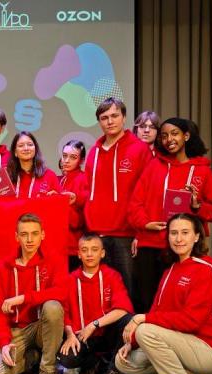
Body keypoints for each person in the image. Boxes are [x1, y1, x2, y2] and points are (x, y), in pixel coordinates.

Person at [116, 213, 212, 374]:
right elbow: (158, 312)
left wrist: (141, 319)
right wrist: (132, 342)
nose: (178, 239)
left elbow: (191, 321)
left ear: (197, 236)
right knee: (123, 362)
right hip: (182, 343)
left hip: (209, 350)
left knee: (146, 330)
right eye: (173, 233)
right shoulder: (171, 270)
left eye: (185, 233)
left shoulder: (206, 268)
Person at [128, 117, 212, 313]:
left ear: (186, 136)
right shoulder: (153, 166)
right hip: (151, 245)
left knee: (178, 303)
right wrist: (145, 224)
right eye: (164, 136)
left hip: (183, 249)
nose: (169, 140)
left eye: (174, 134)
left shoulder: (202, 171)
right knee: (147, 302)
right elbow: (134, 204)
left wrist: (197, 206)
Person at [0, 213, 66, 374]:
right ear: (17, 237)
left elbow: (62, 292)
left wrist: (23, 298)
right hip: (15, 332)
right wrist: (4, 342)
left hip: (40, 328)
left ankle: (47, 369)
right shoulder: (3, 268)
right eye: (24, 234)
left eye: (35, 233)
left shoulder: (53, 261)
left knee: (53, 307)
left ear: (42, 235)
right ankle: (31, 358)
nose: (30, 239)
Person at [84, 97, 152, 297]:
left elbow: (148, 193)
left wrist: (141, 233)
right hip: (97, 234)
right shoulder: (94, 152)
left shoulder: (139, 149)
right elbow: (89, 190)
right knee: (101, 293)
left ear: (124, 117)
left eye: (114, 116)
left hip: (126, 234)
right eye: (104, 118)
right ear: (99, 122)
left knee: (127, 291)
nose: (110, 121)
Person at [58, 234, 134, 374]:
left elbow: (123, 308)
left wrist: (94, 324)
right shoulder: (70, 279)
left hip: (107, 333)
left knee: (128, 319)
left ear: (102, 253)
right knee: (67, 359)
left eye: (94, 249)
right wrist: (70, 335)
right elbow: (64, 312)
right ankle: (92, 363)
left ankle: (114, 370)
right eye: (84, 250)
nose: (89, 254)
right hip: (83, 336)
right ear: (78, 254)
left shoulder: (112, 276)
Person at [130, 110, 161, 312]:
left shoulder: (162, 158)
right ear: (136, 129)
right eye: (142, 126)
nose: (147, 130)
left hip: (155, 228)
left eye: (152, 127)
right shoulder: (130, 154)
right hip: (133, 225)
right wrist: (137, 232)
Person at [58, 140, 88, 272]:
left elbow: (78, 222)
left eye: (73, 157)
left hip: (74, 246)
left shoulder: (83, 179)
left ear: (81, 160)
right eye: (64, 156)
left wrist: (61, 203)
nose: (66, 160)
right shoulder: (62, 180)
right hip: (61, 245)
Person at [6, 131, 62, 199]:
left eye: (30, 145)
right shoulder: (7, 176)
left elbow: (60, 202)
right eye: (21, 145)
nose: (26, 148)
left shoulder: (49, 175)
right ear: (15, 152)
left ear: (35, 149)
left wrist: (57, 197)